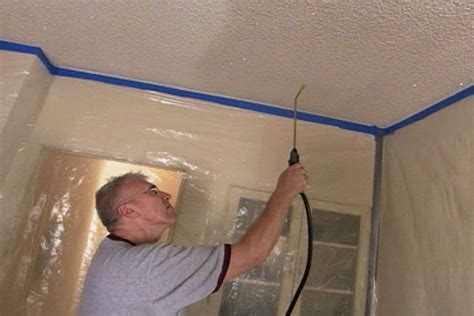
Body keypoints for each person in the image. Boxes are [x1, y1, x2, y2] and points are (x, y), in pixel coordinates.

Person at [79, 163, 308, 315]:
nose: (165, 194)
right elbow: (252, 254)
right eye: (152, 191)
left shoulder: (110, 252)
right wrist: (284, 193)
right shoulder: (146, 265)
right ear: (128, 211)